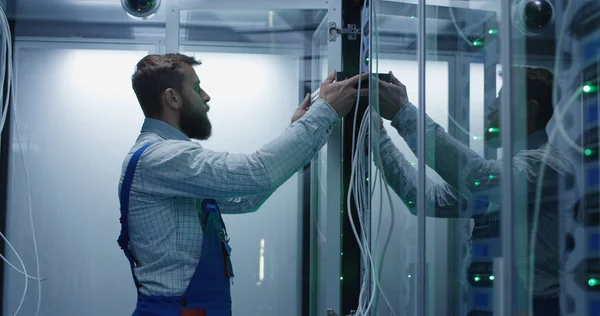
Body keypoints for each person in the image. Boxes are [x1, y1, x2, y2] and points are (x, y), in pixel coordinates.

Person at [117, 53, 367, 316]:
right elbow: (255, 174)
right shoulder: (160, 157)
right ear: (173, 98)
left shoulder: (167, 163)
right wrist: (323, 113)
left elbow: (246, 197)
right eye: (196, 87)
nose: (206, 96)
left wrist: (303, 131)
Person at [375, 67, 573, 315]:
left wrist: (404, 114)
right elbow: (425, 199)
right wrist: (377, 134)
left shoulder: (546, 168)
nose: (491, 107)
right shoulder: (508, 177)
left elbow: (475, 178)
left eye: (502, 100)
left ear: (529, 110)